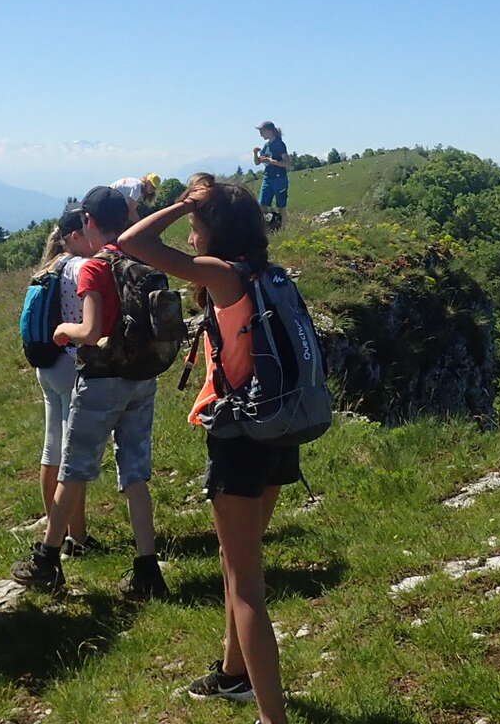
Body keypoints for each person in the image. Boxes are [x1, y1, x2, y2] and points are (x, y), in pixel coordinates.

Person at [118, 175, 296, 724]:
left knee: (247, 586)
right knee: (236, 558)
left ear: (215, 229)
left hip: (239, 438)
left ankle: (272, 716)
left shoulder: (223, 275)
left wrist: (179, 203)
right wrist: (201, 207)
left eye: (197, 227)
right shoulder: (269, 273)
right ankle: (233, 674)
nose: (191, 236)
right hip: (278, 430)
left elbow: (132, 244)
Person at [11, 186, 168, 599]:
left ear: (90, 223)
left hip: (101, 380)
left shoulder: (95, 267)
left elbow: (91, 331)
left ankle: (47, 559)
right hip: (142, 376)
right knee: (135, 474)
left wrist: (63, 332)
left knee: (74, 469)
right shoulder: (142, 258)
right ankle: (148, 569)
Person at [33, 206, 99, 557]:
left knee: (53, 450)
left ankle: (56, 529)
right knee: (72, 458)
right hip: (72, 364)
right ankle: (76, 537)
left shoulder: (49, 266)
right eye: (89, 230)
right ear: (75, 236)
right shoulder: (79, 266)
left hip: (47, 366)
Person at [253, 122, 290, 228]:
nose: (260, 134)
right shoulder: (266, 145)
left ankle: (283, 228)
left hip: (279, 178)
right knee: (263, 205)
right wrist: (255, 154)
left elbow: (287, 163)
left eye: (261, 131)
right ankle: (270, 226)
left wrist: (271, 161)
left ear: (269, 131)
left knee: (281, 206)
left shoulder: (279, 144)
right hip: (268, 178)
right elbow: (257, 162)